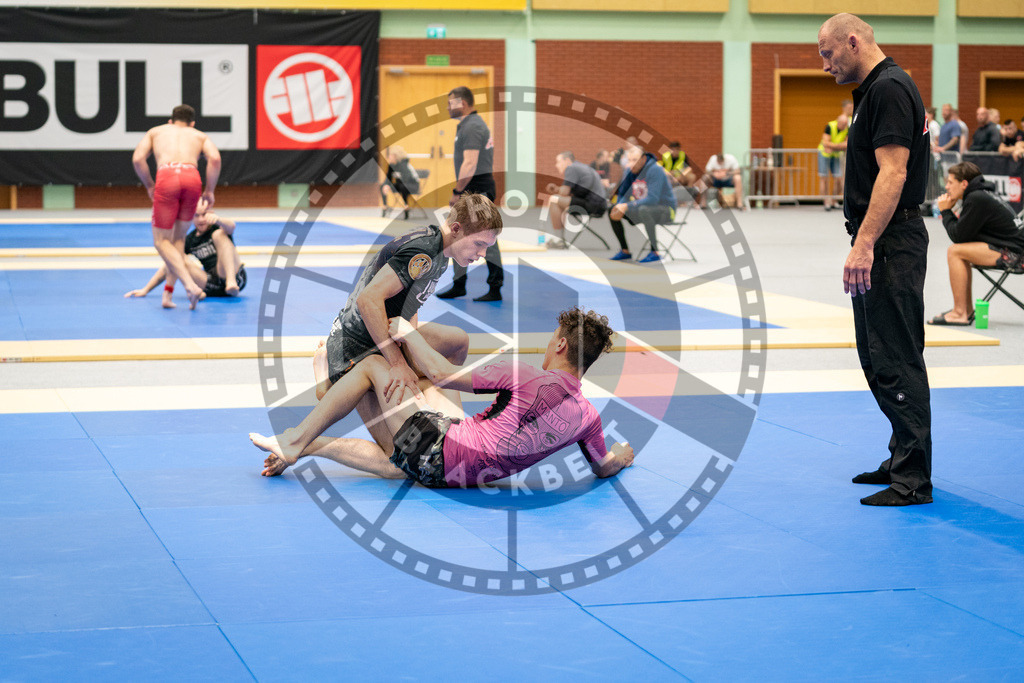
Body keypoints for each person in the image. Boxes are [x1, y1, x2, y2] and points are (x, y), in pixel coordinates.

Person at [250, 308, 636, 487]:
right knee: (402, 452)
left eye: (551, 341)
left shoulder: (527, 374)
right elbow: (603, 467)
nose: (546, 347)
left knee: (372, 369)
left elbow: (441, 373)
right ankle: (313, 442)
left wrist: (405, 331)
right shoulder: (589, 417)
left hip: (439, 449)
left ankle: (297, 437)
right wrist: (623, 457)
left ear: (562, 345)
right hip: (455, 473)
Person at [818, 13, 933, 506]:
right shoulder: (874, 91)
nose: (825, 65)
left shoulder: (888, 88)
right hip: (885, 239)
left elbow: (894, 172)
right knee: (875, 354)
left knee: (896, 357)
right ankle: (900, 457)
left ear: (852, 41)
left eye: (827, 53)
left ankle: (912, 480)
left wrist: (863, 244)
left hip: (891, 242)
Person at [316, 193, 503, 461]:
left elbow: (410, 305)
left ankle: (438, 411)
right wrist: (397, 363)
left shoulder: (442, 252)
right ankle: (323, 399)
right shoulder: (424, 251)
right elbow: (368, 300)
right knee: (400, 458)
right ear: (456, 229)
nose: (482, 254)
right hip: (356, 349)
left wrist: (411, 345)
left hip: (382, 334)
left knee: (457, 340)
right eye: (479, 244)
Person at [132, 104, 221, 310]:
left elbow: (138, 159)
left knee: (161, 241)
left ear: (170, 121)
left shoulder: (157, 131)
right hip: (192, 178)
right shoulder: (198, 135)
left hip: (167, 177)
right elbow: (215, 159)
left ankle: (189, 286)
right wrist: (210, 190)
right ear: (192, 123)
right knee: (178, 240)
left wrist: (149, 185)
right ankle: (167, 296)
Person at [928, 162, 1024, 325]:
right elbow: (965, 235)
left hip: (1016, 256)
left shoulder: (976, 198)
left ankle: (959, 313)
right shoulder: (981, 194)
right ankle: (966, 310)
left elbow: (958, 236)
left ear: (964, 183)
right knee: (960, 251)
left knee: (955, 251)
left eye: (951, 182)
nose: (947, 187)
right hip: (1014, 250)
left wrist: (945, 211)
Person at [436, 86, 504, 303]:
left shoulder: (473, 126)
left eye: (450, 103)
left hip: (478, 190)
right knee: (459, 233)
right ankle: (459, 284)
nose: (447, 107)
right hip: (471, 190)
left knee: (484, 236)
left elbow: (470, 162)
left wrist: (457, 192)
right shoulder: (467, 125)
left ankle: (495, 286)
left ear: (462, 103)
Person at [124, 199, 245, 307]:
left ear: (210, 214)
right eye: (196, 216)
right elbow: (170, 264)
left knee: (220, 234)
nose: (201, 219)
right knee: (179, 257)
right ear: (191, 218)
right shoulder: (190, 240)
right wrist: (146, 289)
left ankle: (230, 282)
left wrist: (219, 220)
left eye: (204, 215)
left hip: (233, 276)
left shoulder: (217, 228)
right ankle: (195, 290)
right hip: (211, 283)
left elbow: (231, 227)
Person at [607, 144, 677, 263]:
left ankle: (655, 252)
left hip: (666, 210)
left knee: (644, 209)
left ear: (643, 159)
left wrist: (627, 206)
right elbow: (623, 194)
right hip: (643, 208)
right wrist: (620, 205)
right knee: (612, 209)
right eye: (629, 160)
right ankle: (625, 251)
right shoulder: (630, 171)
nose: (631, 163)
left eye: (635, 160)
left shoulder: (655, 170)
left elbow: (653, 199)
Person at [546, 151, 608, 249]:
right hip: (600, 205)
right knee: (557, 201)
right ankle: (559, 239)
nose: (556, 165)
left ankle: (558, 239)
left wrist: (557, 190)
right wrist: (558, 189)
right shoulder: (581, 167)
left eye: (558, 162)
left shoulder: (571, 168)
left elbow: (564, 192)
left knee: (554, 200)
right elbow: (574, 192)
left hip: (593, 204)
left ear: (567, 160)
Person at [817, 112, 849, 211]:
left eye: (845, 125)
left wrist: (833, 147)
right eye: (842, 124)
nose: (843, 127)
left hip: (835, 155)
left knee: (838, 179)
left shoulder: (847, 129)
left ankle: (834, 200)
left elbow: (847, 144)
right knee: (824, 178)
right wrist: (839, 146)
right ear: (838, 122)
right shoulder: (830, 126)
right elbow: (825, 142)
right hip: (824, 154)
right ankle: (826, 202)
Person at [380, 146, 421, 220]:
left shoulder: (404, 165)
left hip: (413, 186)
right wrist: (386, 185)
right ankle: (385, 206)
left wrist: (390, 187)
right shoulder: (391, 165)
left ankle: (406, 206)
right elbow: (388, 178)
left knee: (403, 186)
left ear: (395, 156)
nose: (389, 157)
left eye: (390, 155)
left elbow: (406, 179)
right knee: (382, 185)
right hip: (401, 185)